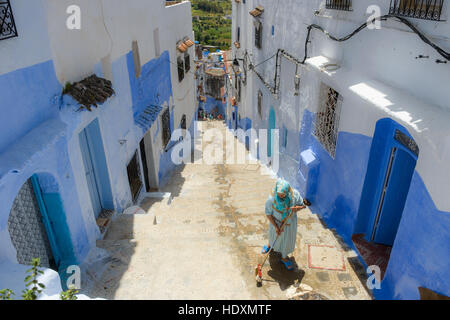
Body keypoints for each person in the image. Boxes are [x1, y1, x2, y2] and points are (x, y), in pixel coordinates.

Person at [262, 179, 311, 270]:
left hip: (289, 224)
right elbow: (268, 214)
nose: (280, 197)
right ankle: (270, 245)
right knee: (273, 236)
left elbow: (302, 205)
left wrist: (297, 208)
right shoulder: (271, 199)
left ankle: (284, 257)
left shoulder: (294, 195)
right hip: (275, 222)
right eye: (279, 195)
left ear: (287, 192)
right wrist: (276, 227)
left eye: (283, 195)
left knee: (286, 242)